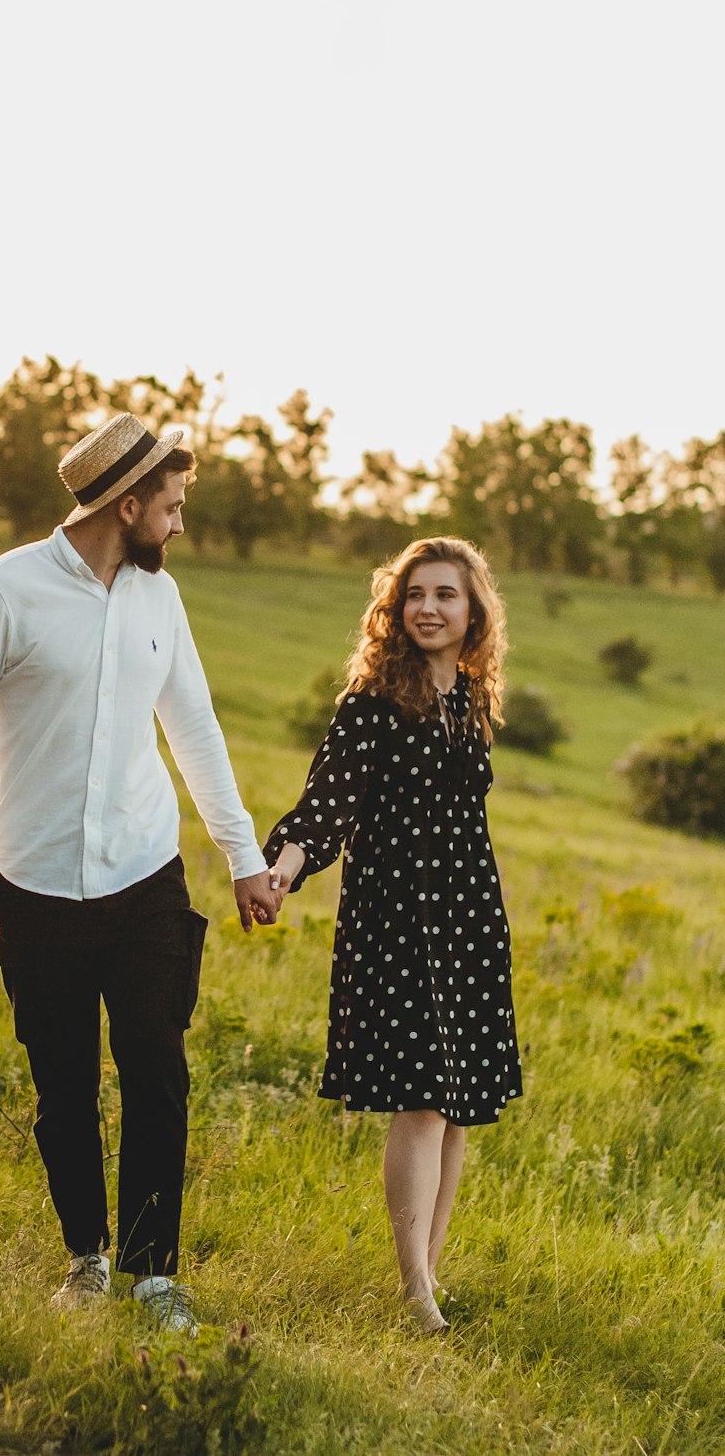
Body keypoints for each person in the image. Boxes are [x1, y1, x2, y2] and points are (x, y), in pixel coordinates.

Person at [0, 413, 280, 1335]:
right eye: (172, 505)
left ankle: (157, 1276)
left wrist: (242, 858)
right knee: (65, 1086)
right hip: (33, 884)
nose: (180, 522)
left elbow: (194, 730)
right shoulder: (5, 590)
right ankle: (87, 1257)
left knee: (158, 1067)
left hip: (146, 878)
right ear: (128, 503)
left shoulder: (160, 599)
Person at [265, 536, 521, 1334]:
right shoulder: (373, 700)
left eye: (445, 594)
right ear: (394, 606)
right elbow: (328, 802)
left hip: (468, 914)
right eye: (415, 594)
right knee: (419, 1101)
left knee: (454, 1106)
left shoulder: (470, 696)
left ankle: (430, 1275)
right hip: (399, 916)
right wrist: (283, 868)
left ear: (473, 608)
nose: (428, 608)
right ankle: (413, 1289)